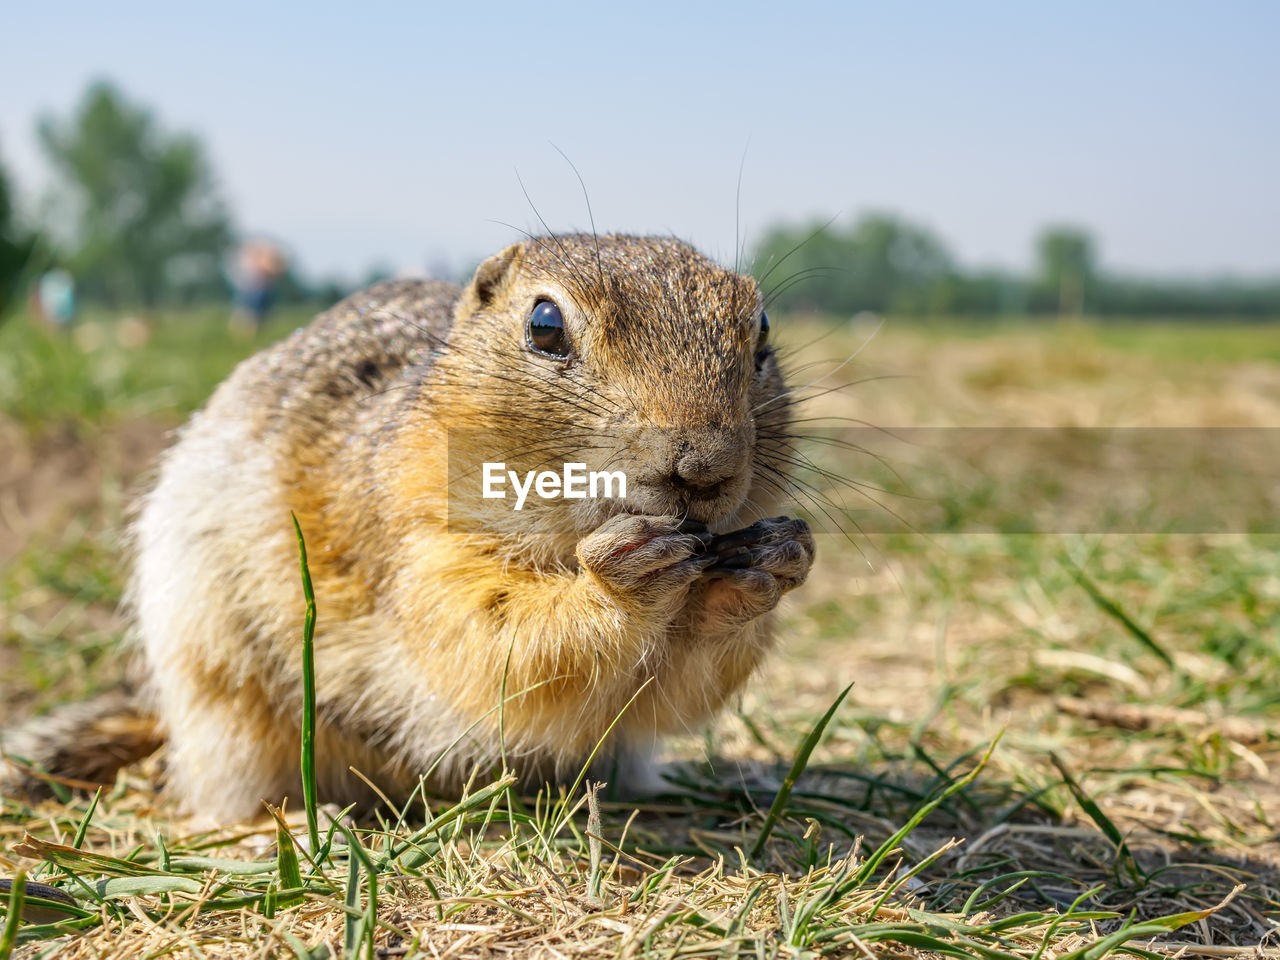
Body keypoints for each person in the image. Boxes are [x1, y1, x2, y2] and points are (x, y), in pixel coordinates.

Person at [230, 240, 286, 336]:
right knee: (248, 314)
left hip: (261, 290)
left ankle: (250, 336)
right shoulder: (255, 262)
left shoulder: (263, 261)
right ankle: (245, 336)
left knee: (257, 315)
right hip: (254, 289)